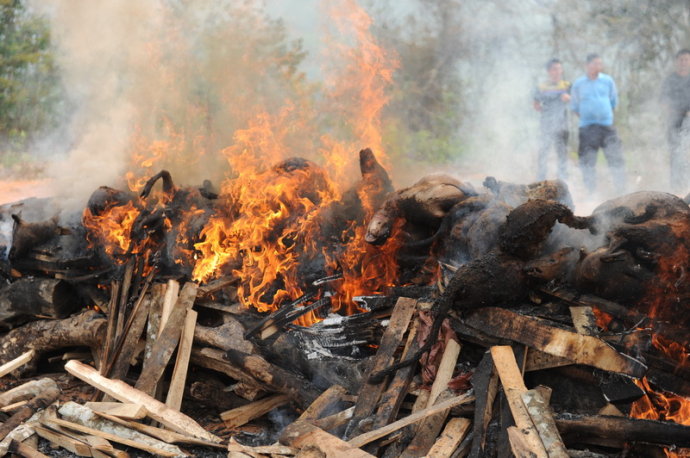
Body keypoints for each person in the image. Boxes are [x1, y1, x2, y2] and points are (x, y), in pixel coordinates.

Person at [570, 53, 626, 193]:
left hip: (606, 126)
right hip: (587, 127)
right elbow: (575, 106)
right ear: (587, 65)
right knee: (587, 161)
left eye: (600, 64)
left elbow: (613, 101)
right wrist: (588, 117)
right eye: (595, 63)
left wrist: (603, 114)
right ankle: (591, 192)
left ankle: (621, 190)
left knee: (616, 157)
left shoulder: (607, 81)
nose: (598, 66)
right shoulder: (579, 84)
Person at [533, 58, 571, 181]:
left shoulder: (567, 85)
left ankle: (563, 181)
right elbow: (536, 104)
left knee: (562, 154)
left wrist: (569, 98)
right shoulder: (541, 86)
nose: (558, 71)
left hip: (562, 125)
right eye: (555, 69)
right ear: (549, 71)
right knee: (543, 153)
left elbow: (575, 100)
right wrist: (539, 106)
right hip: (546, 125)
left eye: (560, 68)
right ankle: (541, 179)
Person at [661, 49, 690, 192]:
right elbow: (664, 102)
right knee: (675, 155)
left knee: (687, 154)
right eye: (681, 60)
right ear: (676, 61)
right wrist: (677, 112)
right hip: (674, 121)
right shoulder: (670, 80)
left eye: (686, 59)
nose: (684, 62)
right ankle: (676, 189)